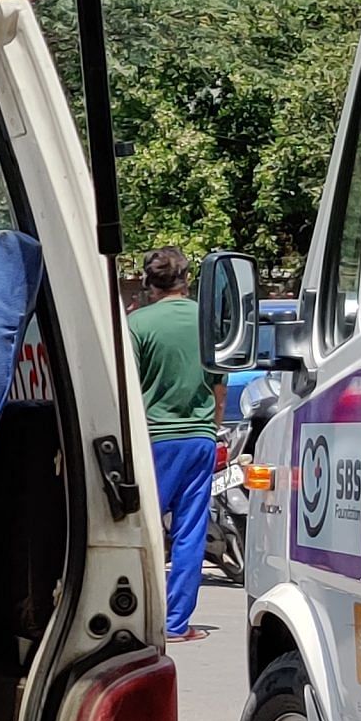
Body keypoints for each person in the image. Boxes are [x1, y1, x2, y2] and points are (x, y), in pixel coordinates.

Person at [127, 246, 219, 643]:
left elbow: (127, 386)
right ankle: (177, 623)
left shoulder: (137, 324)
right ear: (187, 280)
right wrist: (213, 429)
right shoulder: (207, 320)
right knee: (190, 532)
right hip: (200, 438)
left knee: (141, 531)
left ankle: (134, 620)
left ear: (148, 283)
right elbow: (219, 385)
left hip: (155, 440)